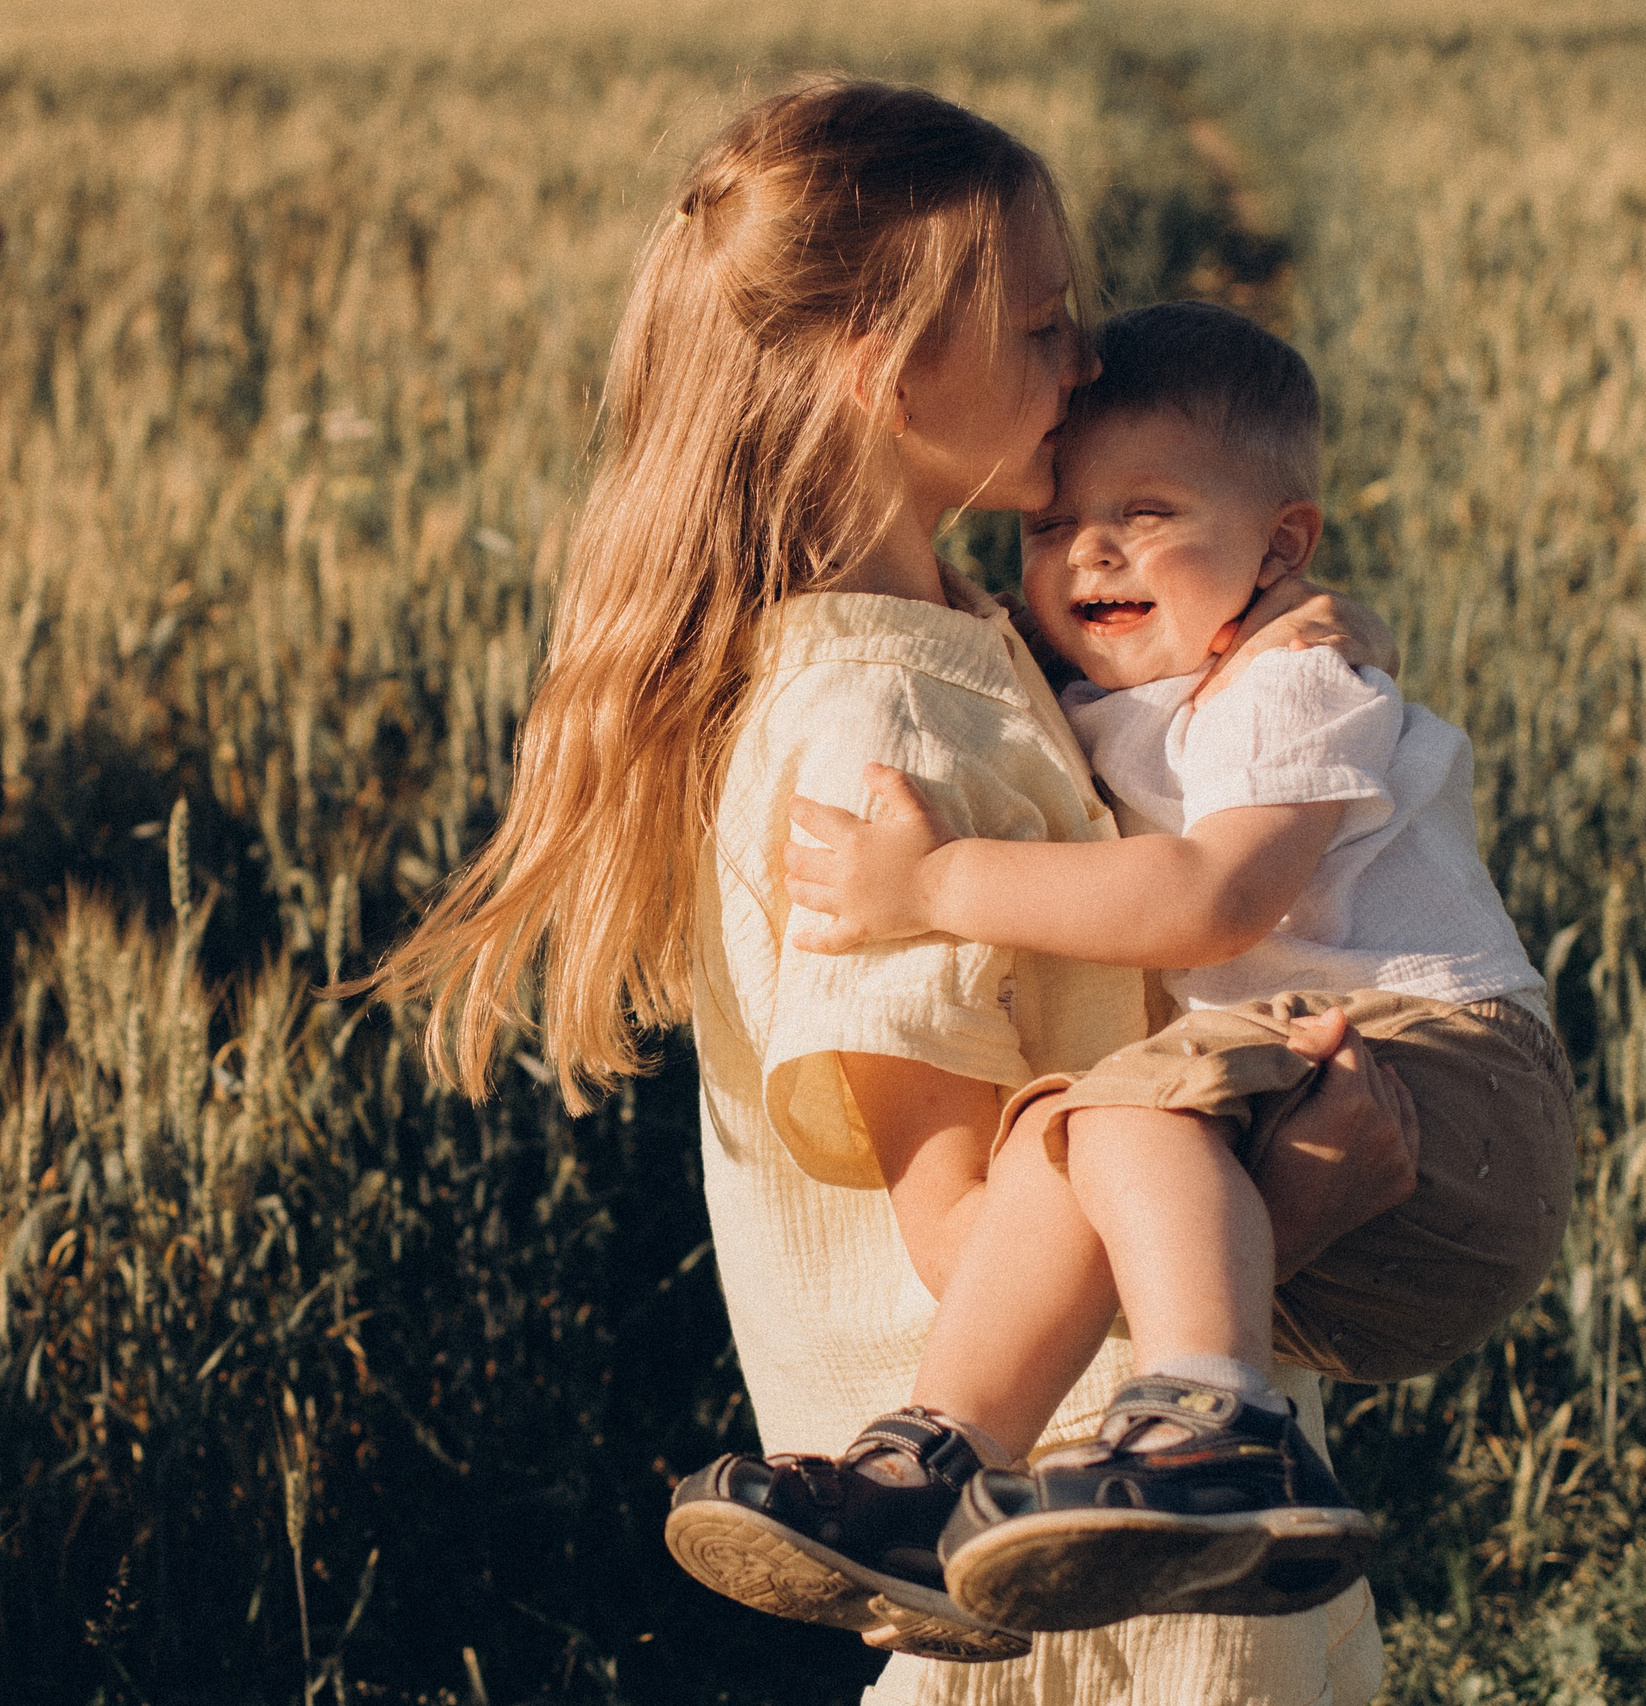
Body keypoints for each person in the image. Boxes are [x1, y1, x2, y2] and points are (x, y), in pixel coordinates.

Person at [367, 79, 1411, 1706]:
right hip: (1088, 1545)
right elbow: (954, 1239)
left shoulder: (963, 647)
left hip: (1106, 1503)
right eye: (1048, 326)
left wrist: (1268, 645)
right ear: (886, 373)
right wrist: (1299, 1204)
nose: (1088, 363)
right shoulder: (879, 731)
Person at [700, 300, 1575, 1640]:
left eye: (1148, 511)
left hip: (1444, 1075)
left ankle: (1221, 1431)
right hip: (1317, 1112)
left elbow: (1216, 899)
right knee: (1064, 1136)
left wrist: (931, 884)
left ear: (1282, 546)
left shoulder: (1288, 680)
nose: (1090, 548)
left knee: (1117, 1107)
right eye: (1053, 527)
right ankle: (934, 1476)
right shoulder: (1089, 686)